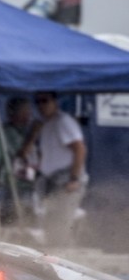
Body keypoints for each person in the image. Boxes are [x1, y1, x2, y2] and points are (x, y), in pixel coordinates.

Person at [23, 91, 87, 247]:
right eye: (38, 102)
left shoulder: (62, 121)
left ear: (55, 102)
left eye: (45, 101)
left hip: (66, 179)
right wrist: (34, 132)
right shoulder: (44, 124)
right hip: (51, 179)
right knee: (50, 221)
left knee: (61, 221)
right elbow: (26, 152)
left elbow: (79, 149)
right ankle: (54, 252)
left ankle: (63, 257)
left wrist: (74, 178)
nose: (41, 106)